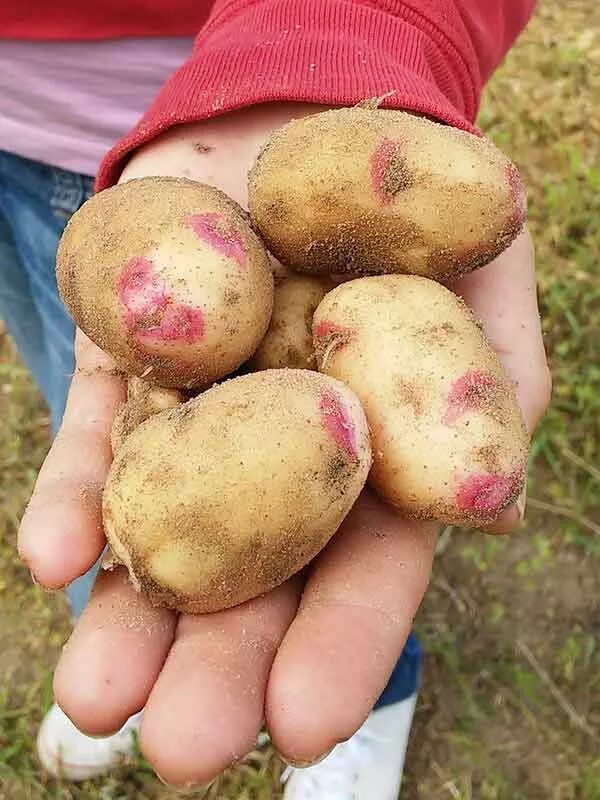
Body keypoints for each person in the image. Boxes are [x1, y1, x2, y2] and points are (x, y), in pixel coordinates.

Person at [4, 0, 551, 795]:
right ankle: (131, 663)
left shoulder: (331, 296)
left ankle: (373, 702)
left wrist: (337, 35)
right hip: (14, 128)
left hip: (227, 67)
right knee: (74, 388)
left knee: (352, 546)